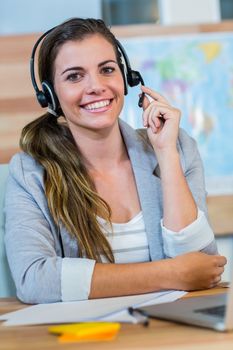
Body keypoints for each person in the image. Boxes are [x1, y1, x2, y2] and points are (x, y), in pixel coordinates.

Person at [4, 18, 226, 304]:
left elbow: (202, 268)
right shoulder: (30, 171)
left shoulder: (177, 147)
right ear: (50, 95)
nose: (96, 86)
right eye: (74, 76)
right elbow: (34, 279)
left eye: (107, 70)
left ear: (126, 78)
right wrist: (168, 273)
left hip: (169, 334)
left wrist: (166, 154)